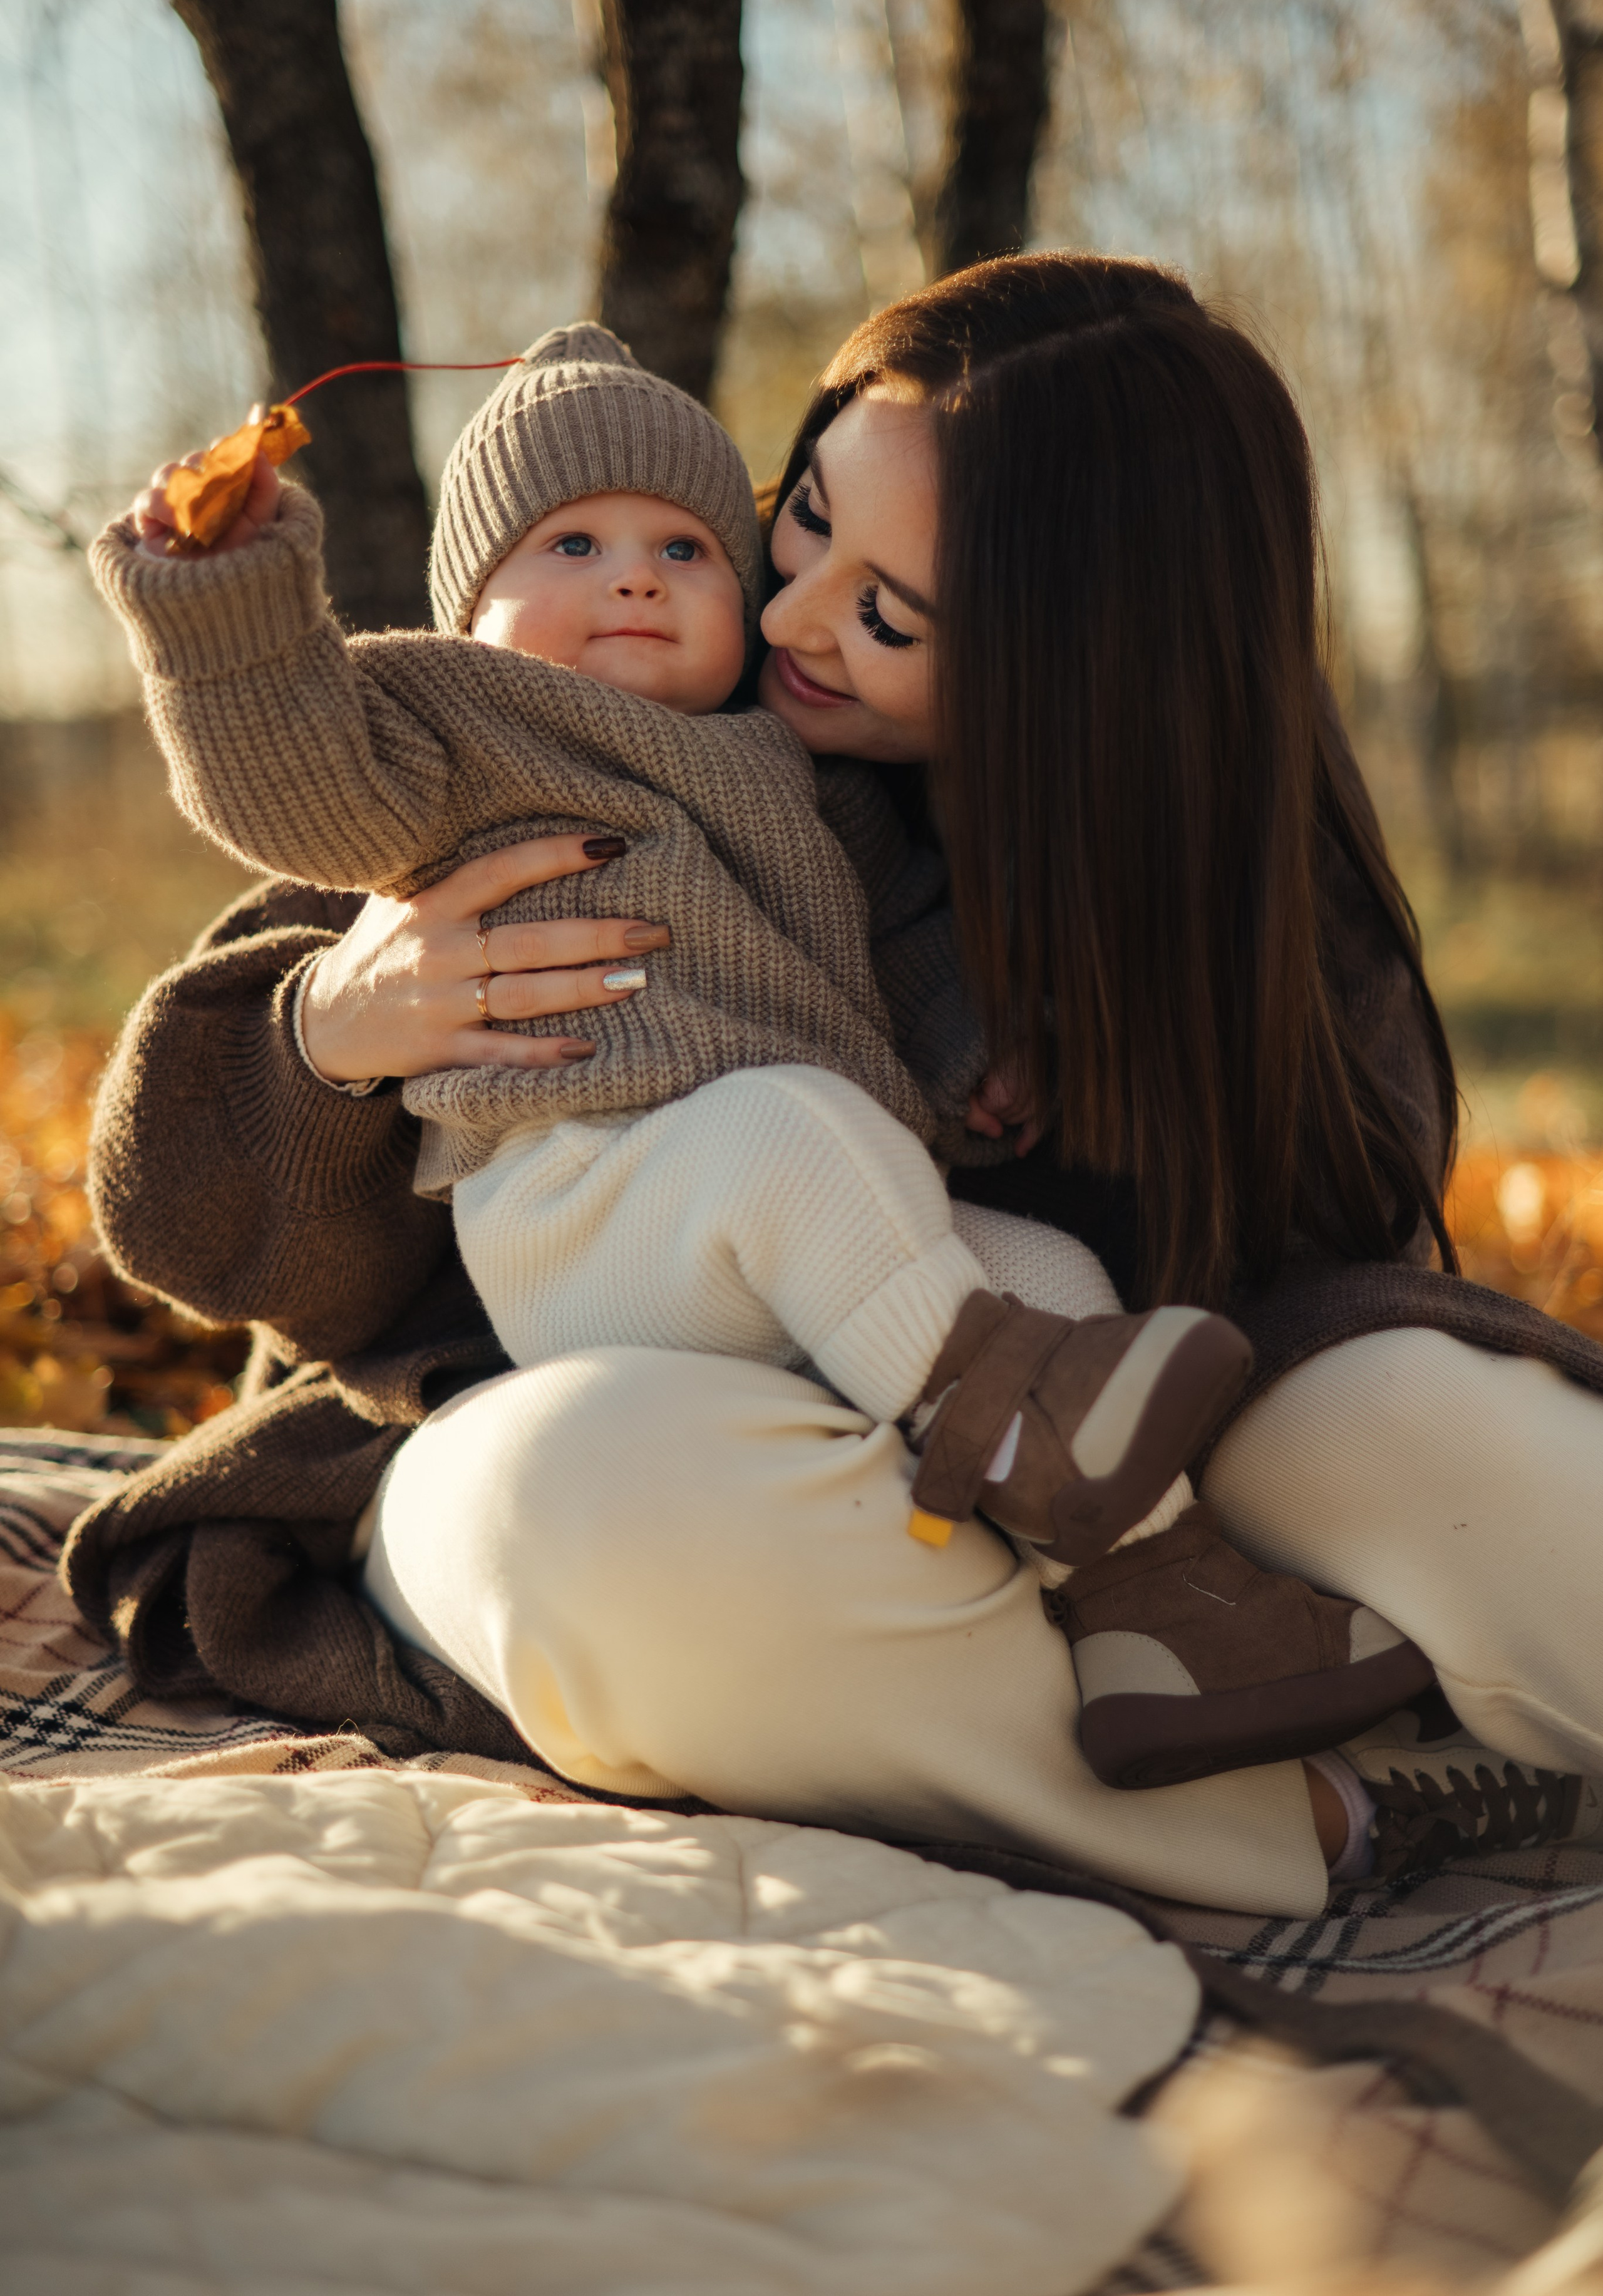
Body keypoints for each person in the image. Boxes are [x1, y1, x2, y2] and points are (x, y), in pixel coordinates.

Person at [64, 255, 1603, 1918]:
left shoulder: (1216, 885)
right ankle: (1313, 1811)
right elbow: (184, 1203)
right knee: (581, 1504)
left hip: (1057, 1469)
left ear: (1078, 673)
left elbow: (1282, 1281)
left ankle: (1214, 1638)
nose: (789, 615)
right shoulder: (564, 707)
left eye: (890, 615)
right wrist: (331, 1032)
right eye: (803, 517)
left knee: (1444, 1427)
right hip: (640, 1424)